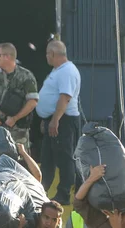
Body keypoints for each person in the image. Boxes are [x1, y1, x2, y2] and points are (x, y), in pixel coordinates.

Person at [36, 40, 81, 205]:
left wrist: (55, 120)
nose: (46, 57)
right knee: (47, 157)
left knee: (64, 157)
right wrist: (46, 119)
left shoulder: (67, 71)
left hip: (64, 120)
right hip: (54, 119)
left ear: (53, 54)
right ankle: (43, 190)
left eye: (47, 54)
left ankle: (64, 193)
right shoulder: (58, 70)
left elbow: (65, 97)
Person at [0, 43, 39, 149]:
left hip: (18, 131)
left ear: (7, 56)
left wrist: (14, 119)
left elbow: (33, 102)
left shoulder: (26, 77)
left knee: (19, 162)